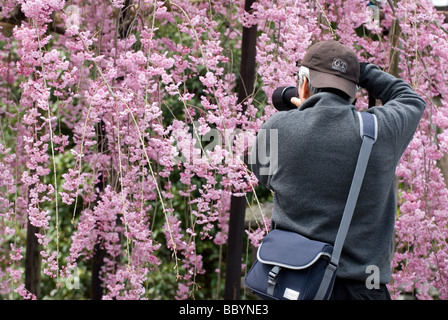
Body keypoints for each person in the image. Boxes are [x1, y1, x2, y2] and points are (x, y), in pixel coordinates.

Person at [249, 40, 426, 300]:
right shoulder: (380, 131)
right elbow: (411, 99)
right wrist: (360, 69)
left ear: (305, 84)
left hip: (292, 281)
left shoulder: (276, 127)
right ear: (353, 92)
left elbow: (264, 175)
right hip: (363, 286)